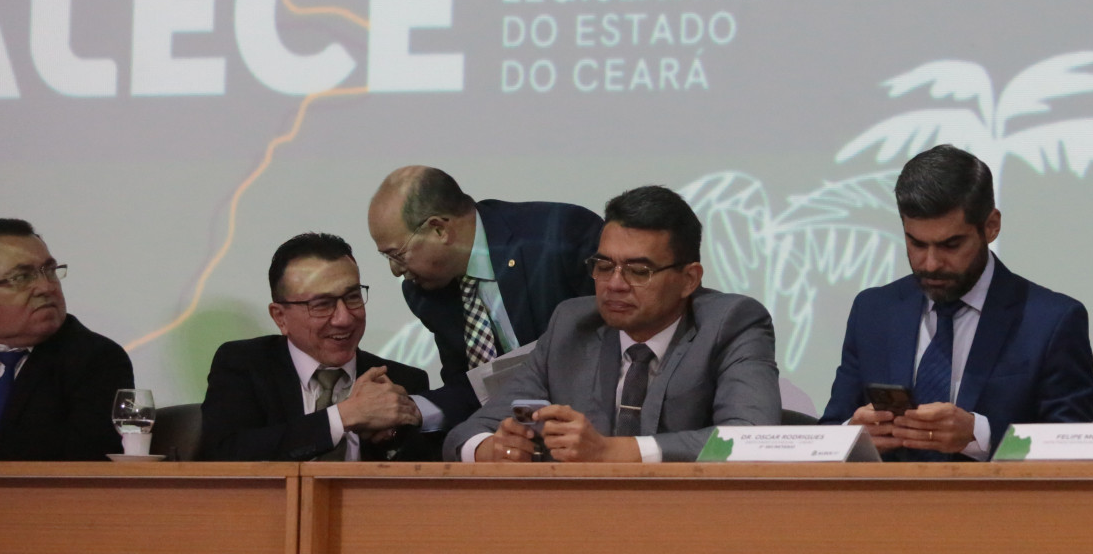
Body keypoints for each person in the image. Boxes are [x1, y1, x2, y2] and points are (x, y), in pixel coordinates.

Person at [445, 185, 780, 462]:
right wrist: (491, 449)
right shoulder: (572, 324)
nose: (615, 284)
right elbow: (467, 433)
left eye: (638, 271)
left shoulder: (731, 322)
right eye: (604, 266)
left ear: (689, 279)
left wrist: (614, 451)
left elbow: (751, 438)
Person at [822, 145, 1093, 460]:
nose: (931, 263)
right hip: (885, 505)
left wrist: (979, 435)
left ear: (991, 226)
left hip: (998, 506)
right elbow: (830, 429)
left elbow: (1075, 446)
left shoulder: (1051, 320)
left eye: (951, 245)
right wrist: (855, 436)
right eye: (916, 243)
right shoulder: (874, 311)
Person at [367, 166, 602, 428]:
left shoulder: (559, 236)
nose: (395, 270)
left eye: (397, 254)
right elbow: (471, 389)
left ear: (438, 229)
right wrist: (412, 410)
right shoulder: (423, 294)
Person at [199, 233, 432, 461]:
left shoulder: (401, 382)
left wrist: (390, 435)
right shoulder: (245, 365)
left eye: (352, 297)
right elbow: (224, 455)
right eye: (322, 304)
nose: (344, 318)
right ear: (280, 317)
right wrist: (343, 417)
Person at [0, 218, 131, 462]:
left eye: (49, 271)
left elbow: (88, 448)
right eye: (21, 277)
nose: (46, 287)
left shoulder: (95, 358)